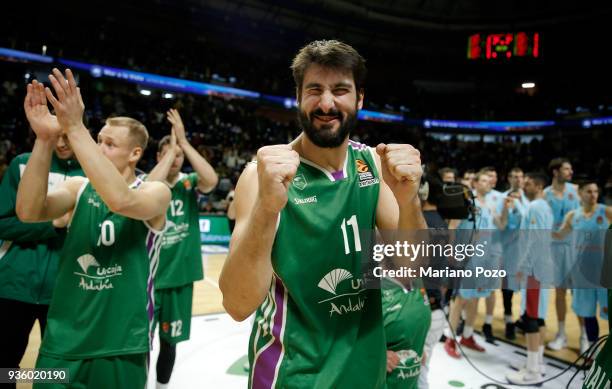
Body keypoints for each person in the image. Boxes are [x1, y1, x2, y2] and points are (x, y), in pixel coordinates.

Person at [219, 40, 426, 388]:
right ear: (298, 96)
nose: (326, 103)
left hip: (366, 373)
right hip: (292, 375)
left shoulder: (371, 165)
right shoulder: (261, 175)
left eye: (340, 90)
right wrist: (268, 209)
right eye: (314, 89)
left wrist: (410, 202)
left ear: (359, 98)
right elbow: (238, 305)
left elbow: (412, 270)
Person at [16, 69, 171, 389]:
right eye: (97, 140)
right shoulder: (78, 187)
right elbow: (29, 212)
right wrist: (45, 140)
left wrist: (74, 126)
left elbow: (121, 200)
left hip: (122, 344)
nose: (98, 148)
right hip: (62, 343)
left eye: (109, 144)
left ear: (135, 154)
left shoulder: (155, 192)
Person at [0, 91, 83, 388]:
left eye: (66, 136)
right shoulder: (23, 164)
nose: (61, 143)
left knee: (58, 368)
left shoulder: (90, 175)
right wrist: (53, 224)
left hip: (64, 290)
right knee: (5, 367)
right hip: (14, 286)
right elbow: (3, 224)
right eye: (55, 136)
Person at [146, 109, 218, 389]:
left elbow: (211, 180)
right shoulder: (147, 182)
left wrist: (184, 143)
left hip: (179, 278)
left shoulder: (189, 184)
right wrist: (170, 151)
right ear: (157, 157)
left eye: (177, 155)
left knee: (169, 342)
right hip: (148, 278)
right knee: (141, 343)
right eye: (167, 153)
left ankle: (162, 386)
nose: (174, 158)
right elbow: (148, 187)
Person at [445, 171, 503, 357]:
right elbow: (452, 227)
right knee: (460, 300)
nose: (488, 184)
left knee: (476, 298)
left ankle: (468, 336)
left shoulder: (490, 205)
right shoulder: (466, 202)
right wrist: (451, 251)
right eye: (484, 181)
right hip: (466, 257)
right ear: (475, 183)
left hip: (485, 258)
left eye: (489, 181)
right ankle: (450, 339)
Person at [553, 180, 611, 355]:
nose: (593, 195)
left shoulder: (606, 211)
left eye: (595, 191)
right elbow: (559, 234)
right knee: (588, 312)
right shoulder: (573, 216)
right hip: (582, 273)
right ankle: (592, 349)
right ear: (580, 194)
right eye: (589, 191)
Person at [506, 172, 554, 385]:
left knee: (531, 319)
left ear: (538, 185)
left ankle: (532, 371)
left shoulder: (535, 207)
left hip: (534, 269)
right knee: (538, 317)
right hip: (542, 266)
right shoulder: (544, 207)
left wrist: (522, 267)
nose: (524, 187)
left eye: (528, 184)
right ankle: (537, 362)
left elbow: (532, 241)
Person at [545, 157, 580, 351]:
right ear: (556, 172)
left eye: (571, 168)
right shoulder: (545, 195)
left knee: (582, 295)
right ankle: (561, 334)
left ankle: (585, 337)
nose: (571, 172)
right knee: (560, 293)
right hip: (555, 250)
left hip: (577, 248)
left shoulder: (576, 191)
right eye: (567, 169)